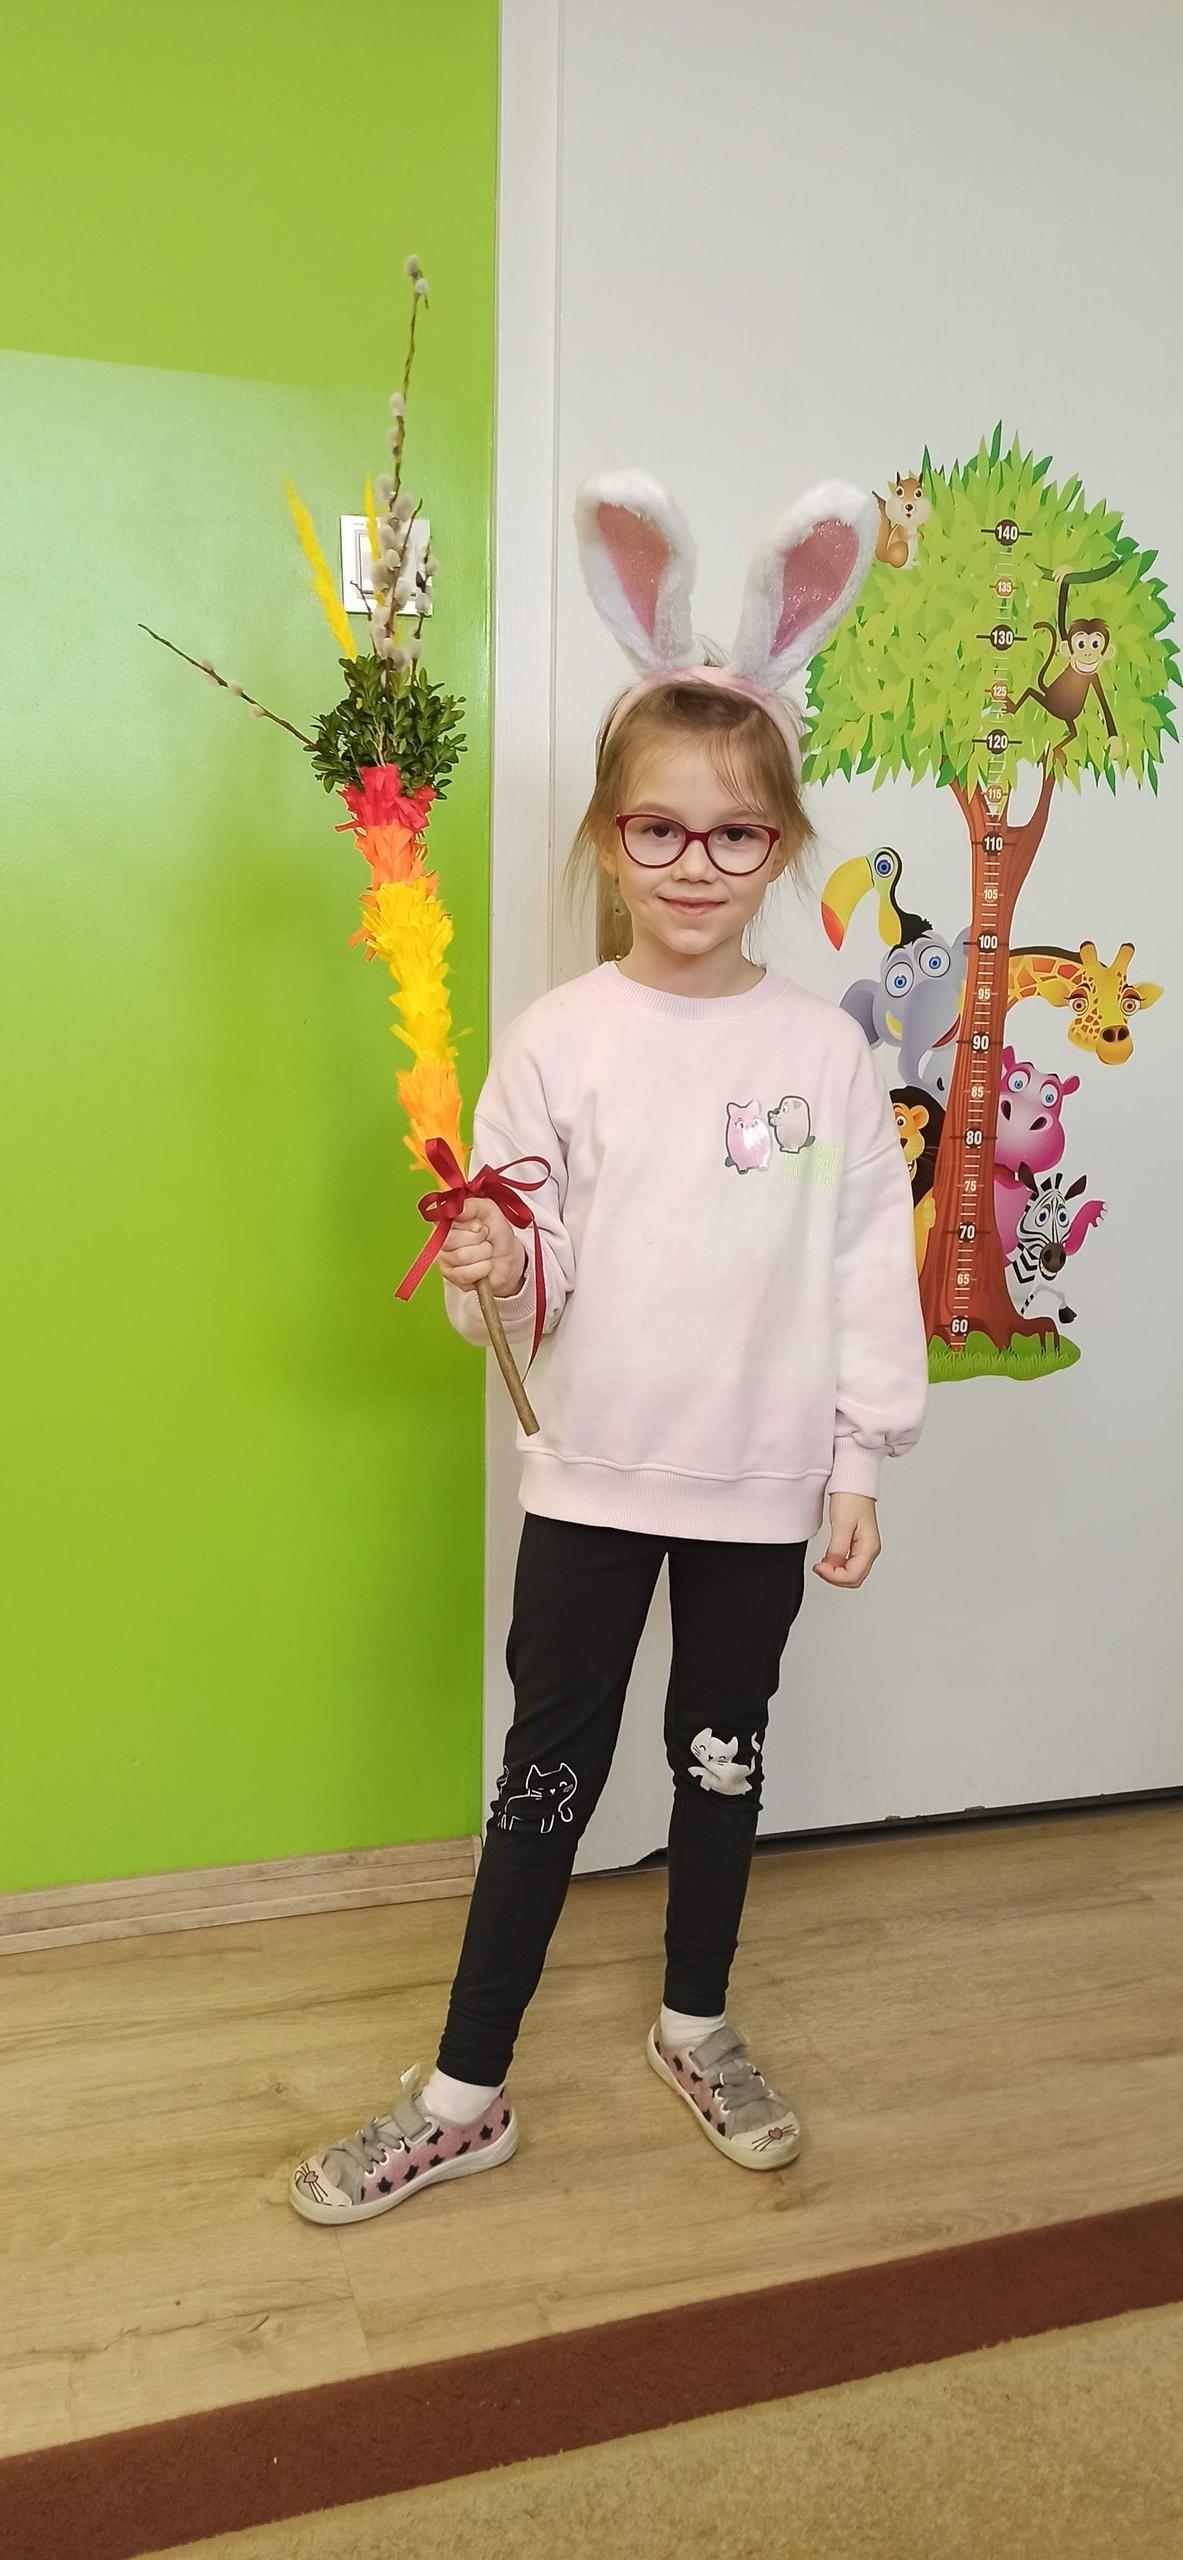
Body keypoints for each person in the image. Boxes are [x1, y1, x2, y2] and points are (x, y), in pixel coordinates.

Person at [289, 475, 927, 2226]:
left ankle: (695, 2022)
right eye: (659, 831)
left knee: (723, 1759)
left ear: (779, 846)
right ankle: (464, 2090)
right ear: (606, 834)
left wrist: (859, 1457)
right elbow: (533, 1261)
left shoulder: (825, 1055)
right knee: (546, 1779)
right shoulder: (556, 1041)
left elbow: (864, 1260)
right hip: (591, 1475)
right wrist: (503, 1257)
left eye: (735, 837)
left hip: (761, 1484)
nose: (694, 867)